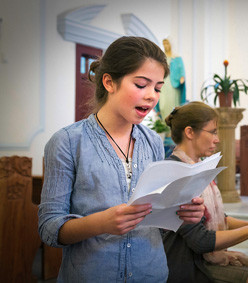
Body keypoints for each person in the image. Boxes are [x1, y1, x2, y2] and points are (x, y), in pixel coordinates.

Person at [38, 36, 205, 283]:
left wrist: (181, 212)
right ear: (109, 82)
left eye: (158, 88)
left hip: (152, 274)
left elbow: (154, 220)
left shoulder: (153, 142)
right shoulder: (68, 142)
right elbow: (49, 229)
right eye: (141, 85)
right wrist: (100, 223)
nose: (152, 96)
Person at [162, 101, 248, 283]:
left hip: (204, 262)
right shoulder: (178, 175)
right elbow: (201, 241)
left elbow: (222, 219)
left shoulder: (196, 168)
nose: (217, 139)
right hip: (191, 268)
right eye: (213, 132)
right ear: (190, 132)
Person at [155, 37, 186, 119]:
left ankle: (172, 122)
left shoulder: (176, 58)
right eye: (164, 44)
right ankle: (164, 122)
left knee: (172, 101)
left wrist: (182, 77)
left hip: (173, 83)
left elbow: (181, 69)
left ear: (171, 44)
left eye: (167, 43)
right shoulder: (161, 57)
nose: (166, 46)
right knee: (163, 104)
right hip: (163, 82)